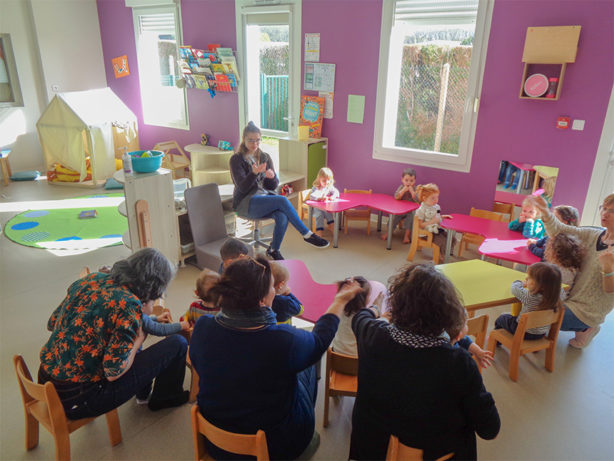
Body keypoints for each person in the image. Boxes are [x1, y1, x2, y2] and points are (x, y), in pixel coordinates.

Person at [189, 257, 362, 460]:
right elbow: (321, 339)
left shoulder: (203, 327)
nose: (274, 291)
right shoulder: (284, 340)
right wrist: (340, 300)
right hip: (277, 446)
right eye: (272, 287)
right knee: (307, 361)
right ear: (262, 300)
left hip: (217, 443)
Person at [349, 263, 500, 460]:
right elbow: (489, 429)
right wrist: (452, 340)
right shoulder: (458, 363)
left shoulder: (372, 334)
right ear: (447, 314)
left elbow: (360, 316)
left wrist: (378, 311)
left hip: (373, 448)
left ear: (396, 308)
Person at [38, 248, 189, 417]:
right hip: (77, 399)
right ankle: (165, 397)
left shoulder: (93, 279)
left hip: (46, 379)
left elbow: (52, 323)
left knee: (125, 341)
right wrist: (139, 339)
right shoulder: (129, 306)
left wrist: (150, 320)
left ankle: (143, 394)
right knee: (178, 343)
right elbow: (113, 373)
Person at [230, 122, 329, 261]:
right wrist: (253, 173)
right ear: (244, 139)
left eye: (258, 140)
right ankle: (306, 234)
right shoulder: (236, 159)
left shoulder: (264, 157)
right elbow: (242, 188)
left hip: (263, 199)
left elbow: (272, 186)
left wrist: (272, 177)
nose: (255, 144)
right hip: (245, 203)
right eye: (251, 140)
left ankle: (274, 249)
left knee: (282, 215)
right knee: (282, 200)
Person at [530, 194, 614, 348]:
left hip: (587, 311)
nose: (605, 213)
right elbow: (560, 231)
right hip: (570, 298)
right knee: (532, 304)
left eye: (612, 211)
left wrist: (608, 269)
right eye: (604, 208)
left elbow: (610, 289)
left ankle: (586, 327)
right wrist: (545, 211)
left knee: (537, 315)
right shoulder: (594, 234)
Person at [494, 262, 563, 340]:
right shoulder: (558, 296)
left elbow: (514, 289)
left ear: (542, 286)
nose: (526, 279)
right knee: (512, 316)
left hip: (523, 332)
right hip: (541, 333)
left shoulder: (530, 296)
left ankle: (497, 341)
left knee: (502, 318)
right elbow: (561, 289)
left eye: (529, 278)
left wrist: (520, 282)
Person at [331, 276, 386, 357]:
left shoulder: (339, 310)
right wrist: (379, 311)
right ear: (366, 299)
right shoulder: (365, 320)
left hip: (336, 354)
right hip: (358, 361)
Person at [381, 167, 419, 244]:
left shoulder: (415, 189)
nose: (408, 183)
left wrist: (412, 193)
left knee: (411, 218)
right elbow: (396, 197)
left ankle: (406, 236)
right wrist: (403, 191)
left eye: (411, 181)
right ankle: (389, 232)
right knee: (394, 217)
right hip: (400, 209)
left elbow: (419, 201)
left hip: (410, 211)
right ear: (402, 180)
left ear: (415, 181)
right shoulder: (401, 187)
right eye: (406, 180)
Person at [415, 183, 453, 257]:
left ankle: (445, 253)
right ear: (424, 198)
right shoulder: (421, 210)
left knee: (451, 238)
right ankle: (439, 255)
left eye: (437, 197)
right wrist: (433, 221)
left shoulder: (436, 207)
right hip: (426, 233)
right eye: (433, 198)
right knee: (442, 240)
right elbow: (420, 225)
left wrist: (443, 217)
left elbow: (437, 217)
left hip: (436, 229)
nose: (436, 200)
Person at [308, 167, 339, 237]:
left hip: (325, 208)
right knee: (319, 215)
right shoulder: (316, 188)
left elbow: (336, 192)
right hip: (316, 208)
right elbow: (311, 196)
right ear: (319, 180)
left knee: (327, 211)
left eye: (328, 180)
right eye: (324, 181)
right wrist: (319, 198)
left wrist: (333, 197)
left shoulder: (329, 187)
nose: (326, 182)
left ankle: (331, 225)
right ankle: (319, 230)